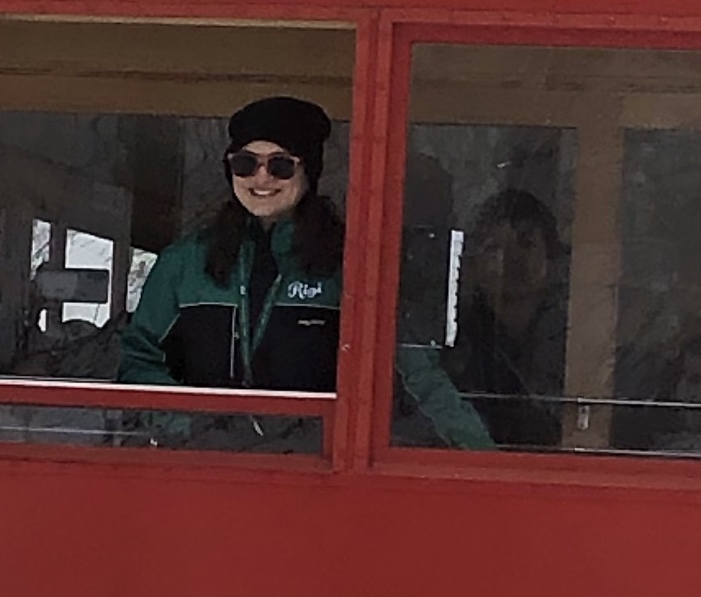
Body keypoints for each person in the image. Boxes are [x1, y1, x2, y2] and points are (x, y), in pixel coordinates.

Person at [116, 97, 488, 446]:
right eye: (245, 164)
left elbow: (414, 373)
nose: (261, 178)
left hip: (314, 473)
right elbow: (139, 359)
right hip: (206, 469)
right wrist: (187, 427)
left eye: (280, 165)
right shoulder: (184, 262)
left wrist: (477, 453)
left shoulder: (349, 264)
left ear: (309, 170)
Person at [449, 188, 570, 448]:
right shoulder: (455, 339)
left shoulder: (575, 337)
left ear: (551, 256)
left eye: (526, 243)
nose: (512, 259)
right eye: (494, 247)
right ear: (473, 264)